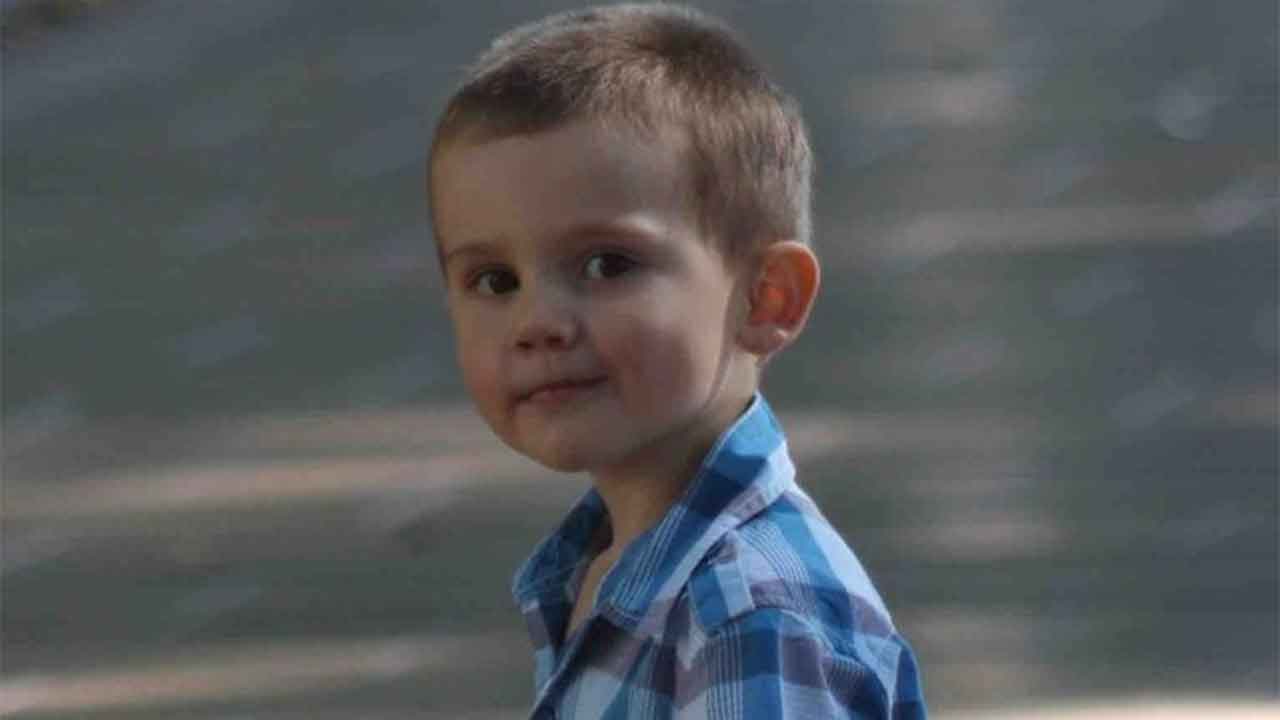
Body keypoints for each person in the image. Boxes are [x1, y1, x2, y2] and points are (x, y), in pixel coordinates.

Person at [426, 4, 926, 718]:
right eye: (494, 281)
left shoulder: (749, 619)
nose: (537, 323)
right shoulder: (611, 569)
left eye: (607, 264)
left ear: (767, 297)